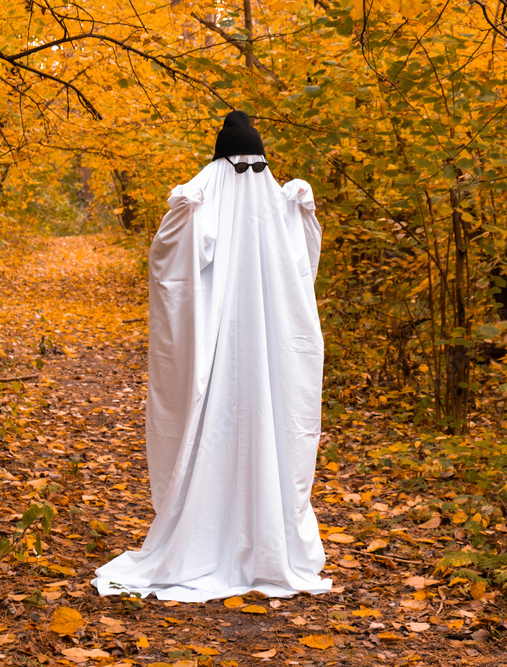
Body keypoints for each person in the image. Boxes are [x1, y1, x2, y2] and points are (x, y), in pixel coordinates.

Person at [92, 110, 329, 602]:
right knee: (217, 429)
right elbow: (173, 272)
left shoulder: (278, 206)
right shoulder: (205, 202)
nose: (249, 175)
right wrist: (185, 215)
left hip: (268, 359)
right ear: (225, 165)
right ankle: (221, 539)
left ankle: (260, 540)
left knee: (264, 429)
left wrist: (301, 213)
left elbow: (298, 274)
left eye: (256, 167)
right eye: (243, 166)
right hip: (215, 357)